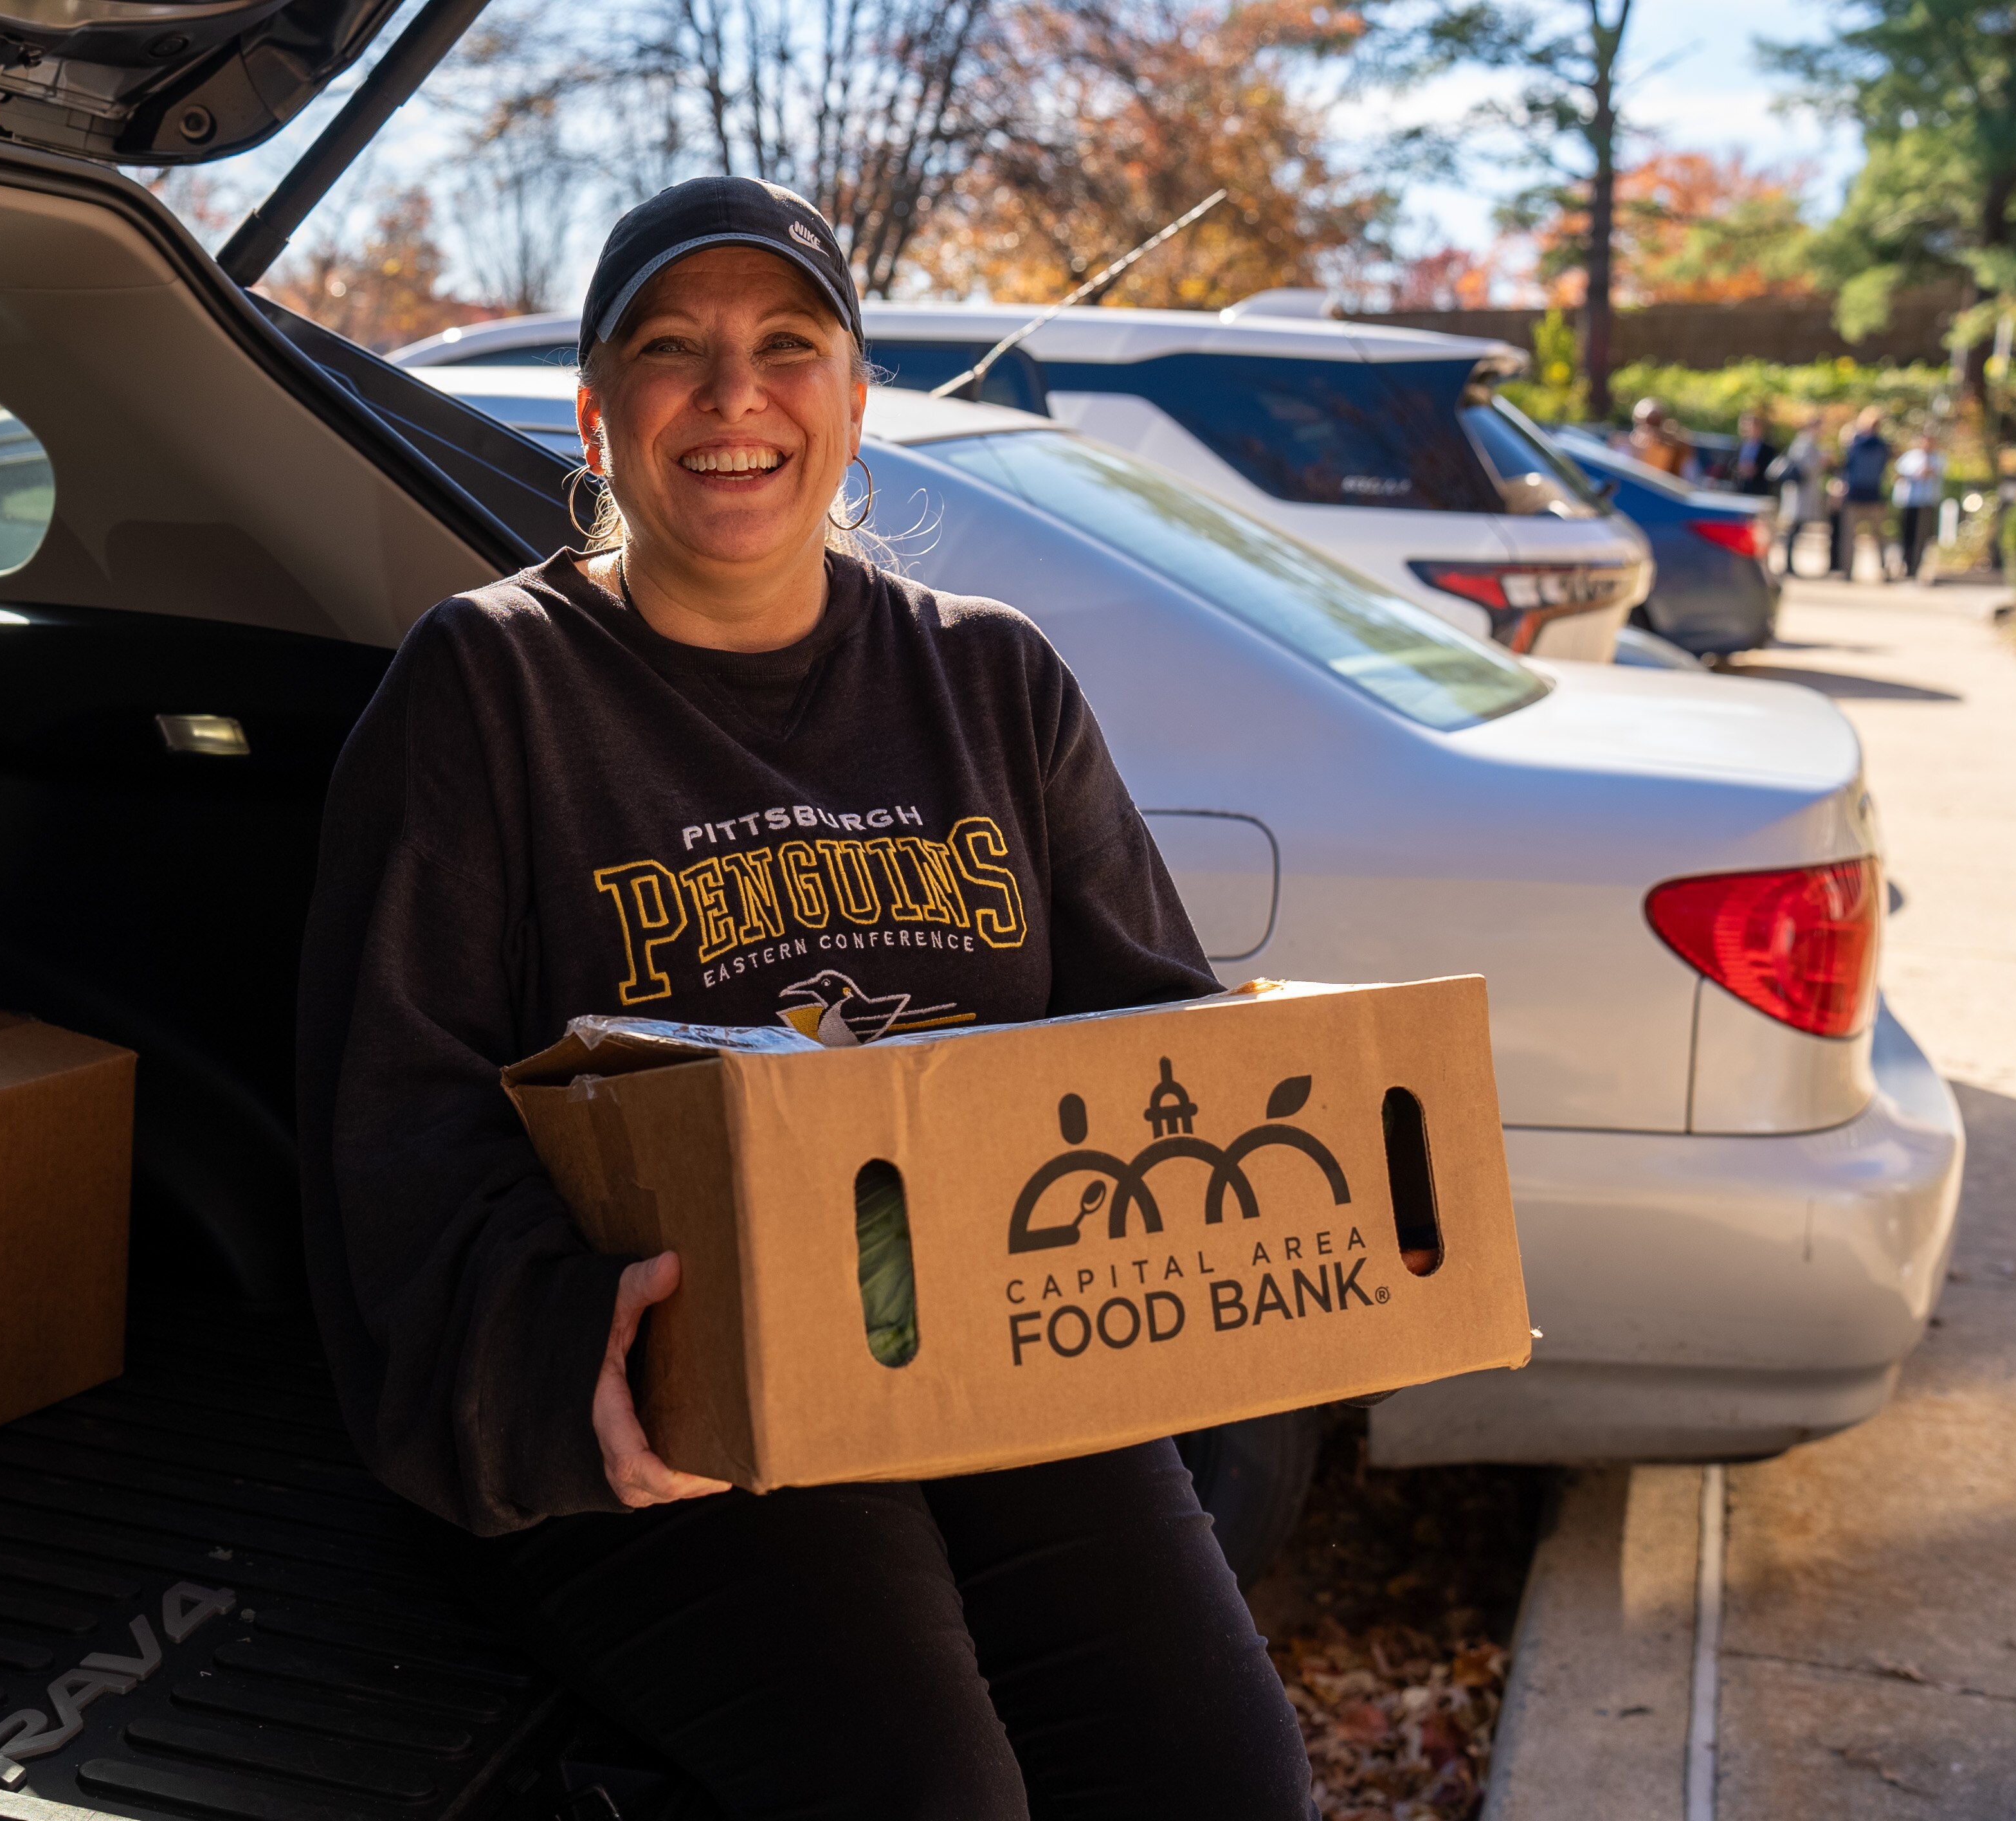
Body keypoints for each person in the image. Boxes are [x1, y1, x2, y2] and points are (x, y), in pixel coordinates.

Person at [297, 176, 1318, 1818]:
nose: (731, 397)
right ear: (595, 412)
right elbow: (392, 1123)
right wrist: (570, 1362)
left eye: (787, 346)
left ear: (849, 404)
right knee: (928, 1796)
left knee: (1221, 1780)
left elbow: (1143, 1033)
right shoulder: (487, 687)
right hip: (673, 1398)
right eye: (669, 349)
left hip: (1001, 1356)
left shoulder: (988, 677)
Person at [1830, 407, 1893, 581]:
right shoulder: (1878, 445)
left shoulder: (1860, 444)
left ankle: (1855, 571)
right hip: (1863, 494)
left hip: (1867, 494)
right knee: (1857, 537)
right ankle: (1851, 570)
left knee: (1868, 537)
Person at [1768, 412, 1833, 576]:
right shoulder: (1804, 443)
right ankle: (1787, 564)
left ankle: (1789, 563)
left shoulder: (1809, 443)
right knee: (1793, 529)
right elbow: (1805, 467)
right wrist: (1821, 460)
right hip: (1800, 493)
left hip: (1804, 492)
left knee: (1796, 529)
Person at [1892, 430, 1944, 584]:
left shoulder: (1938, 458)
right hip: (1910, 502)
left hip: (1927, 503)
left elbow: (1934, 473)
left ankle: (1917, 566)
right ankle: (1906, 564)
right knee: (1907, 534)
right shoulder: (1911, 457)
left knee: (1923, 536)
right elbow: (1904, 473)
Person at [1631, 397, 1691, 477]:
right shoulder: (1626, 445)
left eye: (1655, 422)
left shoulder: (1673, 447)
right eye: (1647, 422)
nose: (1649, 428)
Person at [1727, 407, 1779, 496]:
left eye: (1755, 425)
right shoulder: (1739, 445)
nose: (1752, 428)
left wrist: (1756, 469)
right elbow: (1730, 463)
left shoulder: (1768, 449)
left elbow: (1772, 469)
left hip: (1758, 490)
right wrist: (1740, 468)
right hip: (1740, 489)